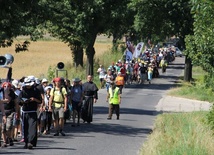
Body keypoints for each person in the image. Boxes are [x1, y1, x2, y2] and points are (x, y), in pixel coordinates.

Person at [18, 77, 42, 149]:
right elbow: (19, 102)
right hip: (25, 111)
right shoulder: (22, 91)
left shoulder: (35, 90)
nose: (27, 86)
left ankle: (31, 142)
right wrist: (23, 101)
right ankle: (26, 142)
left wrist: (34, 99)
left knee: (32, 128)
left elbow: (40, 101)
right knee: (25, 128)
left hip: (33, 111)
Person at [0, 82, 19, 147]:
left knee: (8, 127)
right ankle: (5, 141)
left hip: (10, 111)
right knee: (3, 128)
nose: (6, 88)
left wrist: (16, 112)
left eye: (8, 87)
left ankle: (10, 138)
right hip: (3, 112)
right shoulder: (1, 92)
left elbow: (14, 103)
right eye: (5, 86)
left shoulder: (12, 93)